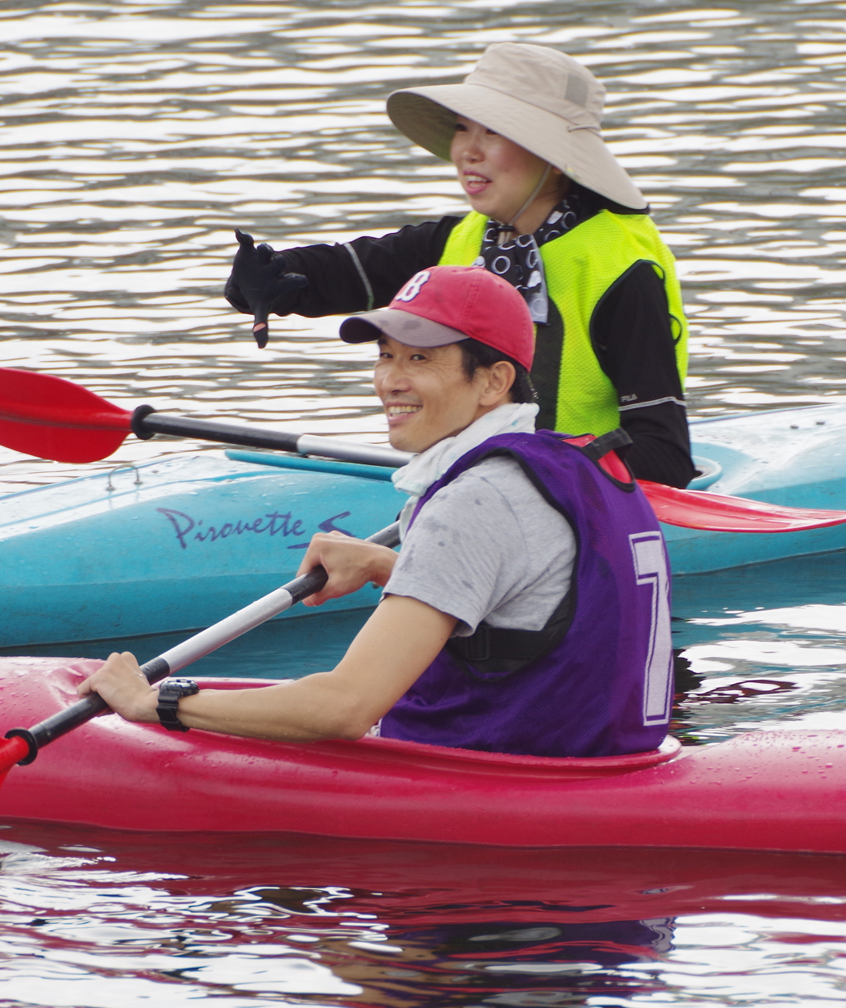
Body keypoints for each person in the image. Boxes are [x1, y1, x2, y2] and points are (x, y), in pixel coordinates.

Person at [81, 265, 676, 758]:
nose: (390, 380)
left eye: (420, 360)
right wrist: (392, 564)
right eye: (386, 356)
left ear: (494, 381)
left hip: (504, 797)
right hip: (607, 760)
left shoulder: (474, 500)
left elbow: (344, 708)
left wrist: (154, 704)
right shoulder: (574, 464)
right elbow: (537, 605)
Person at [225, 42, 694, 488]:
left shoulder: (623, 270)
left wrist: (526, 481)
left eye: (494, 132)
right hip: (475, 483)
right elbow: (337, 273)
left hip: (579, 498)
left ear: (554, 158)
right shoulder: (461, 239)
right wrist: (265, 278)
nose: (468, 151)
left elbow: (664, 456)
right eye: (463, 128)